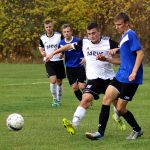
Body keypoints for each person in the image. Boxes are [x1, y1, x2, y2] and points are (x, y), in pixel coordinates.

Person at [46, 22, 126, 135]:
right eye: (89, 34)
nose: (91, 36)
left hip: (110, 79)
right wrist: (53, 53)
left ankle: (117, 117)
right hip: (94, 79)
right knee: (85, 99)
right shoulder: (84, 42)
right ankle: (73, 124)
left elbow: (124, 52)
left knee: (119, 107)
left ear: (99, 32)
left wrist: (116, 50)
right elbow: (68, 46)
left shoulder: (108, 42)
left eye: (94, 33)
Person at [85, 12, 144, 140]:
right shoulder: (123, 37)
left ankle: (137, 129)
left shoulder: (131, 35)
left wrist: (134, 72)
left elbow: (140, 54)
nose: (117, 27)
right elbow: (124, 59)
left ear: (127, 23)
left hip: (130, 79)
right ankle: (100, 133)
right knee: (106, 99)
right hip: (120, 75)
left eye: (119, 25)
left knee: (120, 109)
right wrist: (107, 59)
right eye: (115, 25)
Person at [38, 19, 66, 107]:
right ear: (45, 28)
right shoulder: (42, 37)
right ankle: (54, 99)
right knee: (53, 80)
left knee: (59, 82)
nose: (49, 28)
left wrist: (61, 53)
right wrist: (42, 52)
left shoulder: (59, 36)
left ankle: (59, 100)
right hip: (49, 61)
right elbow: (40, 47)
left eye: (50, 27)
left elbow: (64, 46)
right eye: (47, 27)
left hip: (59, 61)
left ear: (52, 26)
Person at [59, 24, 86, 101]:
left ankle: (88, 97)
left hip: (79, 66)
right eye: (64, 32)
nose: (66, 33)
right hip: (69, 68)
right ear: (62, 33)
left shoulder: (78, 41)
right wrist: (60, 55)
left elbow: (86, 50)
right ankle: (83, 102)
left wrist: (85, 58)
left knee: (82, 86)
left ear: (71, 32)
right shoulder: (61, 43)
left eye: (68, 31)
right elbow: (60, 55)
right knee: (74, 87)